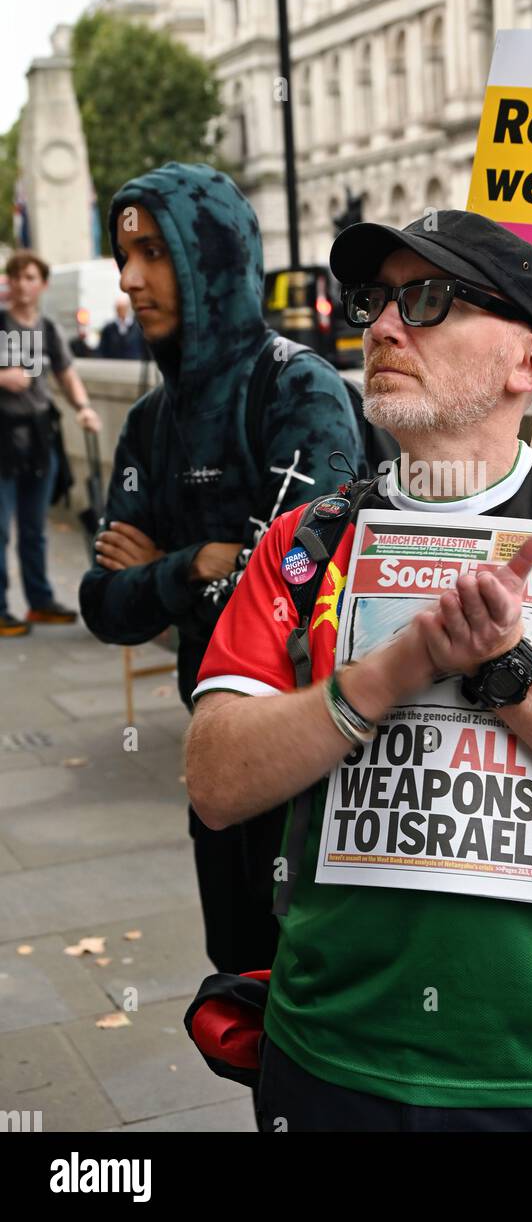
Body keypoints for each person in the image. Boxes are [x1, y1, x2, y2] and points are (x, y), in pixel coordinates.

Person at [185, 210, 532, 1133]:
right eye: (374, 302)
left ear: (530, 363)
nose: (383, 329)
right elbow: (216, 781)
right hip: (330, 1056)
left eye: (428, 301)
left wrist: (511, 672)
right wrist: (394, 671)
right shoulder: (306, 543)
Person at [79, 161, 362, 977]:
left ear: (212, 256)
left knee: (322, 1000)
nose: (130, 280)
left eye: (154, 253)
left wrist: (178, 573)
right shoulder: (148, 424)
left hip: (321, 765)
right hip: (219, 773)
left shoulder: (296, 388)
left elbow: (302, 582)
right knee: (240, 988)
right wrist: (200, 566)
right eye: (123, 255)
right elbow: (102, 604)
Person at [0, 249, 101, 637]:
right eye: (15, 277)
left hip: (39, 436)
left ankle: (39, 601)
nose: (22, 285)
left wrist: (84, 407)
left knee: (34, 526)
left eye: (30, 278)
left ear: (42, 285)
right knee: (1, 528)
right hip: (3, 436)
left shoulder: (48, 329)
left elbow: (66, 373)